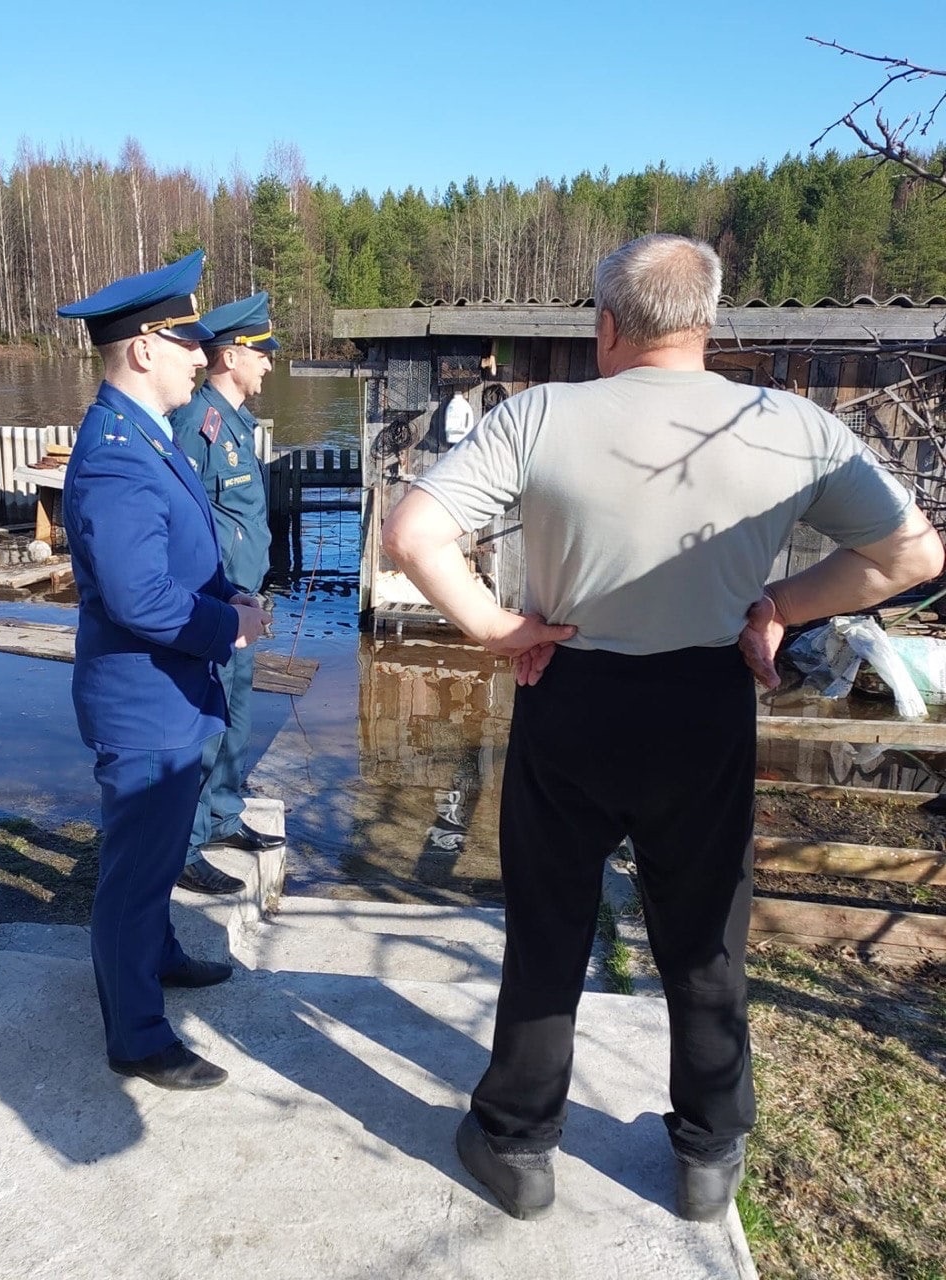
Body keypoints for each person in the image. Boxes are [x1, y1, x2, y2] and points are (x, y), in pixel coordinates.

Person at [382, 233, 943, 1221]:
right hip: (703, 699)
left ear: (606, 324)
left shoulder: (539, 413)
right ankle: (705, 1152)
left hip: (572, 694)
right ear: (706, 324)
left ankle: (515, 1144)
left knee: (549, 924)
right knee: (702, 934)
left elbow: (411, 532)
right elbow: (910, 552)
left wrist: (496, 627)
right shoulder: (790, 425)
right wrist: (778, 603)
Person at [58, 249, 272, 1091]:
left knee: (152, 866)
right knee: (134, 872)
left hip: (172, 694)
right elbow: (140, 596)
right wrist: (228, 625)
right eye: (187, 341)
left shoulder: (149, 435)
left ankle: (161, 956)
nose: (202, 354)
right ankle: (136, 1036)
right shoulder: (116, 455)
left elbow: (190, 555)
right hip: (143, 703)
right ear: (144, 348)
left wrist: (229, 600)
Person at [169, 292, 286, 896]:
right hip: (215, 602)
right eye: (261, 353)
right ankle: (185, 847)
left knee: (236, 716)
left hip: (242, 598)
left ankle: (222, 817)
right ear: (232, 356)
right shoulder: (197, 423)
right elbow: (182, 522)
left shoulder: (235, 423)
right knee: (207, 724)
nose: (270, 363)